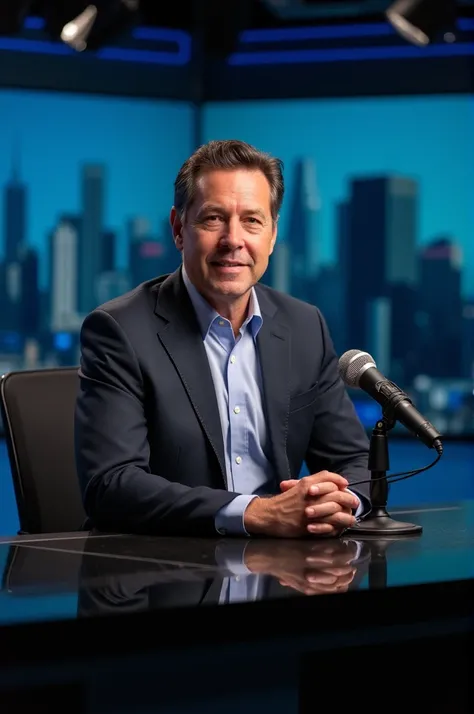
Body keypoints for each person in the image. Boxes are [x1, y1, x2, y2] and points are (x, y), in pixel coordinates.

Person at [74, 139, 371, 539]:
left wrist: (337, 503)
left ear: (272, 234)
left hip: (282, 572)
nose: (234, 240)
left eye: (252, 220)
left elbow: (355, 459)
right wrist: (254, 514)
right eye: (214, 219)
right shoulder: (119, 330)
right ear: (179, 229)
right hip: (160, 575)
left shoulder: (304, 326)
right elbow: (112, 485)